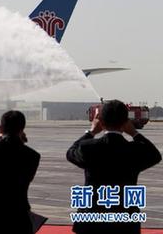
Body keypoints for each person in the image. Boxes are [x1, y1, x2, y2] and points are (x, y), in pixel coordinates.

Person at [67, 99, 162, 234]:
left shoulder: (88, 147)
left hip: (91, 221)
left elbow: (70, 152)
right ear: (125, 123)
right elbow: (155, 156)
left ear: (101, 122)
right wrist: (135, 133)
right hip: (125, 222)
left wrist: (91, 132)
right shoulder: (134, 150)